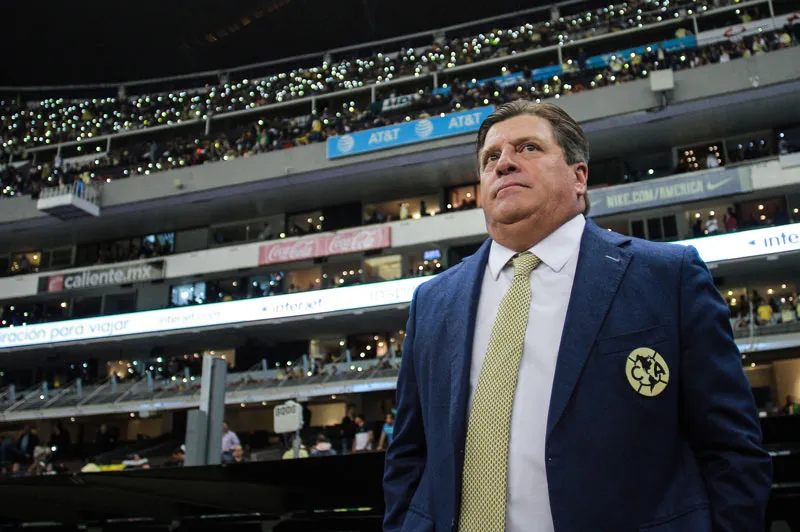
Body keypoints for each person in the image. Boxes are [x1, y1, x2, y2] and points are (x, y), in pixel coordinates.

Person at [383, 101, 771, 532]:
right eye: (490, 158)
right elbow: (409, 454)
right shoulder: (433, 301)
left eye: (527, 147)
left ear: (578, 176)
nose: (504, 163)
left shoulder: (667, 277)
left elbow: (732, 448)